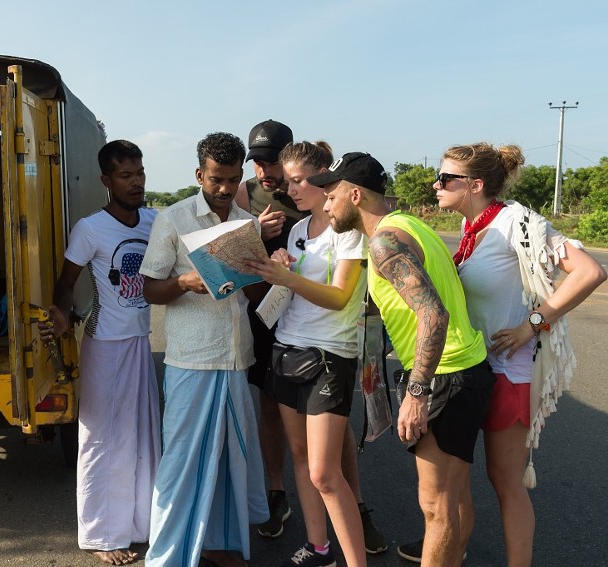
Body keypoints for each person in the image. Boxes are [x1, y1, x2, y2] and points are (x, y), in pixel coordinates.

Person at [397, 143, 606, 566]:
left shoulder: (518, 222)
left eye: (445, 178)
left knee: (506, 482)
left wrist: (534, 322)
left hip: (509, 372)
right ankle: (450, 547)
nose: (435, 184)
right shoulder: (472, 228)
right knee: (455, 480)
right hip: (470, 370)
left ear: (475, 185)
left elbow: (590, 271)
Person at [310, 152, 495, 567]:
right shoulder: (410, 225)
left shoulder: (384, 241)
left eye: (331, 194)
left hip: (445, 374)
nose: (325, 205)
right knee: (455, 495)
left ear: (355, 195)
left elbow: (433, 312)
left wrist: (416, 391)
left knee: (435, 506)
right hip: (466, 367)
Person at [140, 132, 268, 567]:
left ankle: (221, 544)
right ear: (199, 174)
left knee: (232, 459)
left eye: (233, 180)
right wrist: (184, 282)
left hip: (235, 358)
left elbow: (252, 298)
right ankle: (167, 556)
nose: (225, 189)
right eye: (216, 179)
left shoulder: (245, 223)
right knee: (181, 463)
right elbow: (150, 289)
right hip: (191, 360)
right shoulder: (173, 219)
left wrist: (262, 273)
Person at [246, 141, 368, 567]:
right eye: (288, 181)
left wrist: (288, 277)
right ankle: (319, 548)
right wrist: (283, 267)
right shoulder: (298, 231)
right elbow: (293, 290)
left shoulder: (349, 232)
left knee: (324, 473)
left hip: (330, 355)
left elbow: (338, 297)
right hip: (286, 350)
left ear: (322, 179)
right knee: (300, 457)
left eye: (298, 181)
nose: (291, 189)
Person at [42, 140, 160, 566]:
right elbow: (65, 279)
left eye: (140, 173)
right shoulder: (91, 228)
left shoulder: (153, 221)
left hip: (140, 341)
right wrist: (62, 313)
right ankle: (100, 535)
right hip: (105, 345)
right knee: (102, 440)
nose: (136, 182)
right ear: (107, 181)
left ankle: (142, 525)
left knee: (142, 434)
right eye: (126, 176)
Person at [235, 119, 303, 539]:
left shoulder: (310, 186)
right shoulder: (245, 193)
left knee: (326, 416)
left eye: (270, 160)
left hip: (314, 314)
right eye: (256, 162)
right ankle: (277, 492)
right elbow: (227, 254)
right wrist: (255, 233)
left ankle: (352, 503)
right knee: (270, 404)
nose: (263, 171)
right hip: (264, 314)